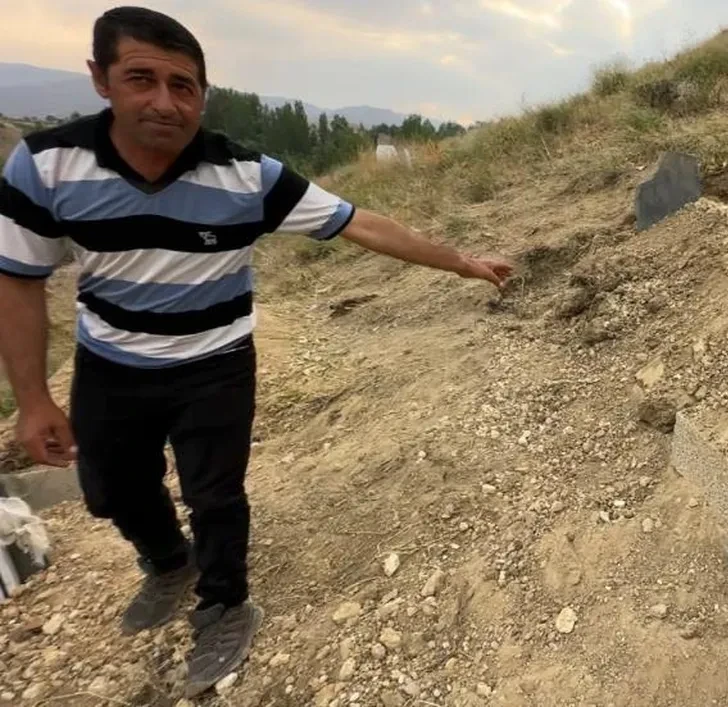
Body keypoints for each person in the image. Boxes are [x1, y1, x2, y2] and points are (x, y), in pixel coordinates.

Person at [0, 6, 512, 697]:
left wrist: (461, 262)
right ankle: (166, 560)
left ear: (203, 96)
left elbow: (360, 222)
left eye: (183, 86)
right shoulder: (47, 165)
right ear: (101, 80)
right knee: (110, 488)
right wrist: (33, 398)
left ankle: (223, 601)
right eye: (140, 78)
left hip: (215, 363)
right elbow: (19, 280)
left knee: (216, 492)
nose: (163, 101)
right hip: (110, 363)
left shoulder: (246, 175)